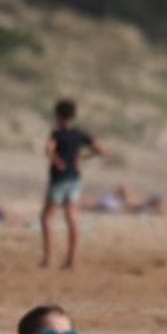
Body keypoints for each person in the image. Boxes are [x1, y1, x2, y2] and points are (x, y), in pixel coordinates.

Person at [40, 99, 103, 270]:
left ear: (58, 116)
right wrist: (82, 158)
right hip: (75, 178)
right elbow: (100, 149)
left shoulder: (57, 134)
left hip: (59, 179)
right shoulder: (79, 134)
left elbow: (48, 149)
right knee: (72, 218)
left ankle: (47, 259)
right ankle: (71, 260)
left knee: (47, 218)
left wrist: (57, 160)